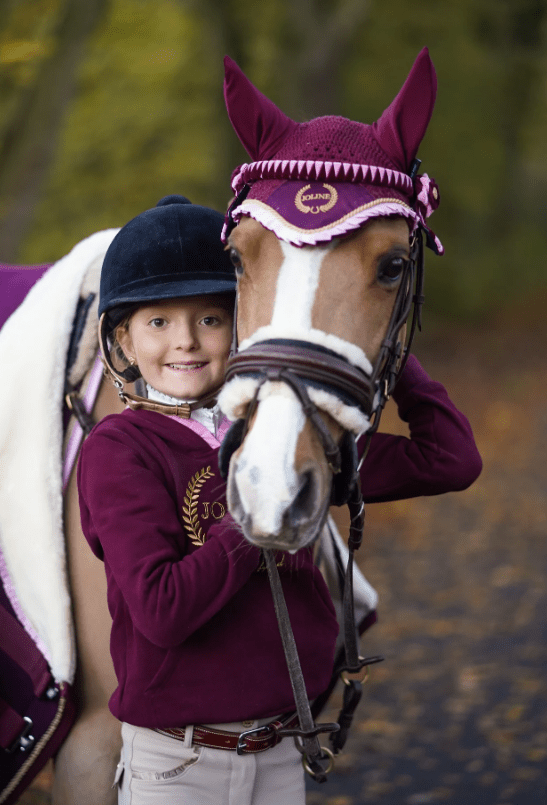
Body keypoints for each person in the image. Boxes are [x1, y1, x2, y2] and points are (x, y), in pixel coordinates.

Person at [77, 194, 481, 805]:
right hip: (180, 763)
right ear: (125, 343)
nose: (185, 341)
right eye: (158, 322)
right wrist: (257, 510)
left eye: (211, 319)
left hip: (283, 750)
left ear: (248, 325)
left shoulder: (290, 437)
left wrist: (385, 354)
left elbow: (449, 458)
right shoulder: (121, 450)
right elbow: (161, 611)